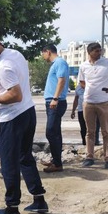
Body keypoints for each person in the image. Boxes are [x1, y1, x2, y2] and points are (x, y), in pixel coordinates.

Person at [0, 29, 48, 214]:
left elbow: (15, 95)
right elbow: (12, 88)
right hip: (28, 113)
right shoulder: (15, 54)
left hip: (13, 118)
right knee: (25, 157)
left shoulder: (3, 66)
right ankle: (39, 199)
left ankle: (12, 208)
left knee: (8, 163)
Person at [77, 42, 108, 169]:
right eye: (96, 51)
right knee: (90, 132)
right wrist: (91, 89)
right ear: (89, 52)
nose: (99, 53)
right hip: (89, 102)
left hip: (105, 102)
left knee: (106, 131)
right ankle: (89, 157)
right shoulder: (83, 66)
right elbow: (82, 82)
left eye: (100, 50)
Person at [41, 44, 69, 173]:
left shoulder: (60, 62)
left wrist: (55, 98)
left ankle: (57, 163)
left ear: (47, 52)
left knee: (51, 131)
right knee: (55, 132)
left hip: (56, 102)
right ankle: (56, 160)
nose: (43, 57)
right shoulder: (56, 64)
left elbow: (61, 80)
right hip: (52, 102)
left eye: (43, 53)